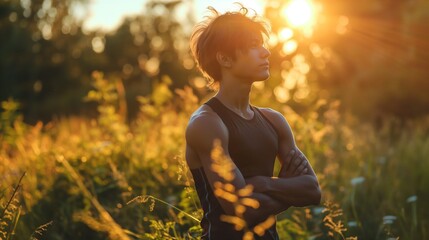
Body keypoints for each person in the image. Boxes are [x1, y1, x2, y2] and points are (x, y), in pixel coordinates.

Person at [185, 5, 321, 240]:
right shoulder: (206, 124)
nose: (266, 52)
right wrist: (288, 186)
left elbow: (312, 190)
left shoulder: (274, 120)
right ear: (225, 59)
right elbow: (240, 210)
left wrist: (265, 184)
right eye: (253, 46)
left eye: (262, 44)